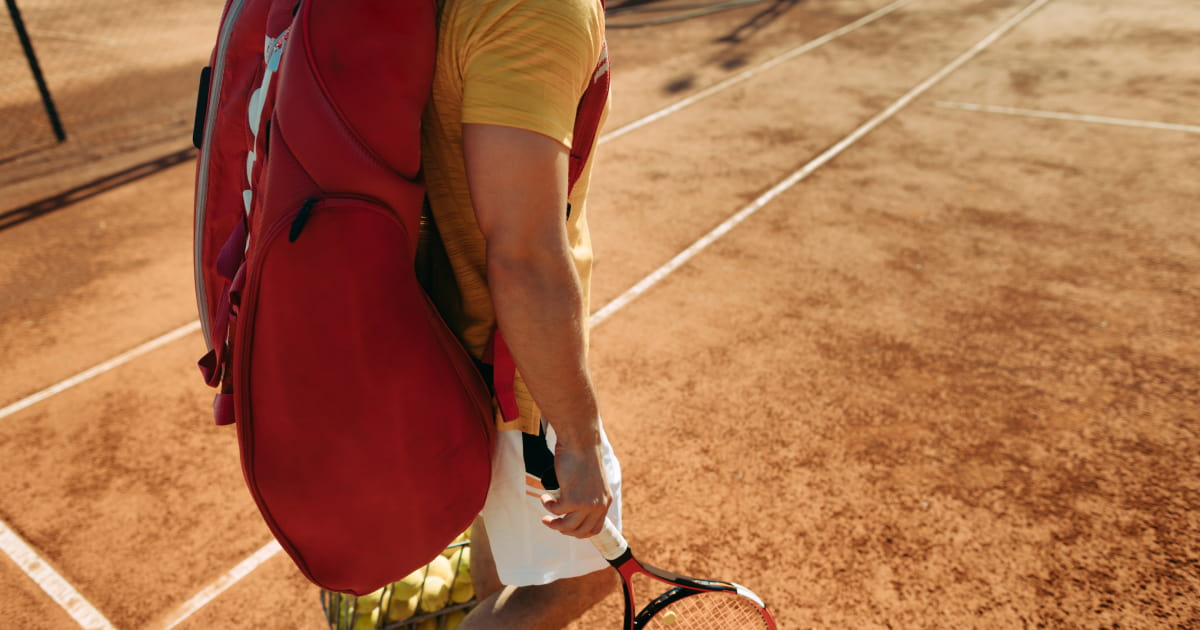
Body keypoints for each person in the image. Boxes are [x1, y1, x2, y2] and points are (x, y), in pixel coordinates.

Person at [416, 0, 621, 627]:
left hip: (444, 333)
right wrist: (578, 438)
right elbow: (524, 256)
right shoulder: (539, 9)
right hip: (511, 366)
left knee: (507, 556)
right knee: (575, 584)